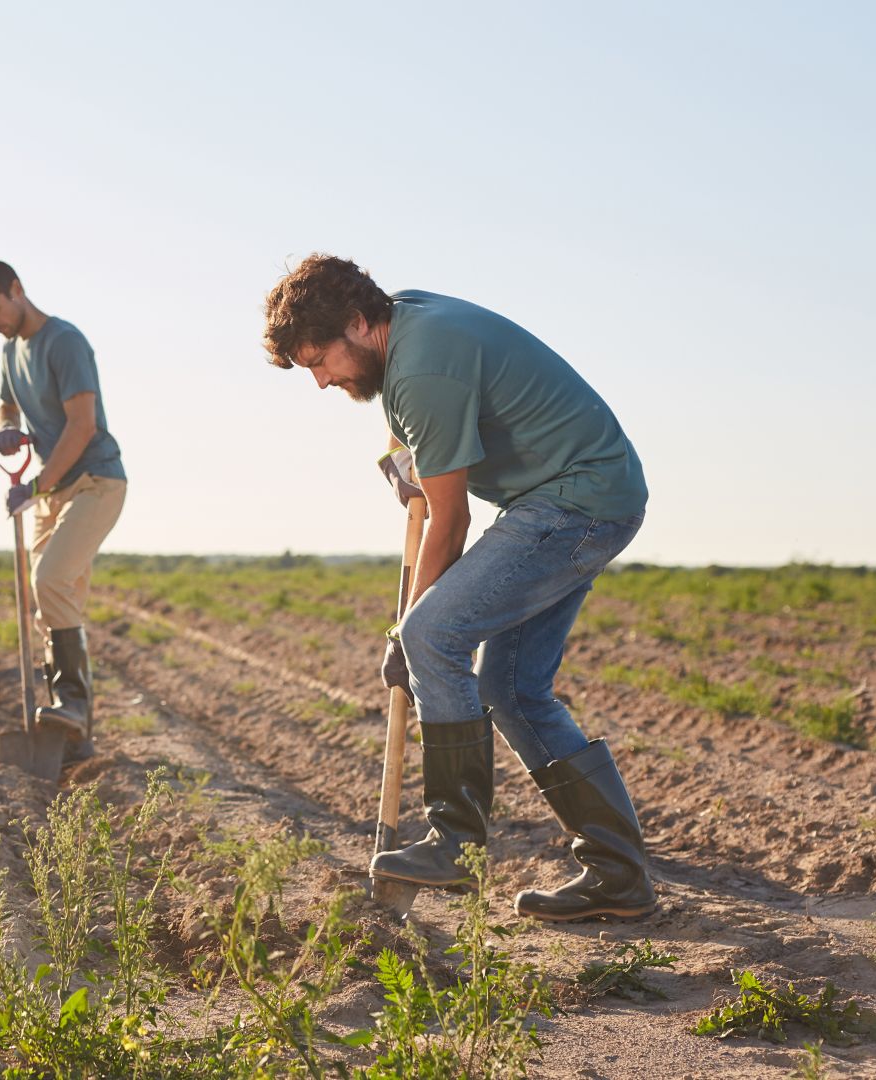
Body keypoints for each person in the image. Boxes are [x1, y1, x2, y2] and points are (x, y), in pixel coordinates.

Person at [262, 254, 655, 922]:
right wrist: (401, 459)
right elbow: (409, 427)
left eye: (320, 361)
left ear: (358, 322)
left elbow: (451, 522)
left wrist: (408, 632)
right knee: (509, 690)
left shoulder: (421, 369)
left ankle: (454, 841)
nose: (322, 382)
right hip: (585, 496)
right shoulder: (409, 323)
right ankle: (619, 879)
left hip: (572, 505)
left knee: (432, 633)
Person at [0, 259, 127, 762]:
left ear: (16, 290)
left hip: (96, 482)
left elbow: (81, 426)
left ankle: (70, 702)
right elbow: (6, 403)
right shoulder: (11, 351)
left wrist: (34, 484)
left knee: (49, 579)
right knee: (56, 603)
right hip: (53, 492)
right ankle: (77, 732)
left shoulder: (65, 342)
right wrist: (5, 425)